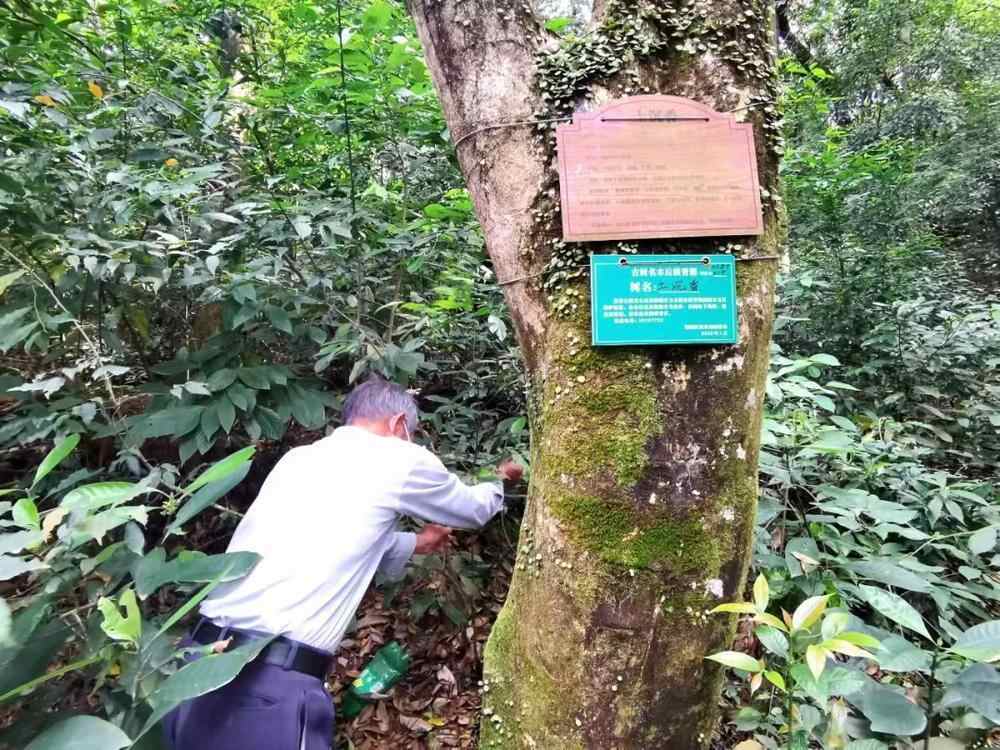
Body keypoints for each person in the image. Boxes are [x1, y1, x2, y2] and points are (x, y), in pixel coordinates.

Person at [163, 377, 522, 750]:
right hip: (265, 686)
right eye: (411, 435)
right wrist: (499, 480)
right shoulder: (400, 458)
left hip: (194, 666)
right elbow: (472, 509)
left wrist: (417, 543)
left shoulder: (299, 459)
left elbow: (324, 532)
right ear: (399, 423)